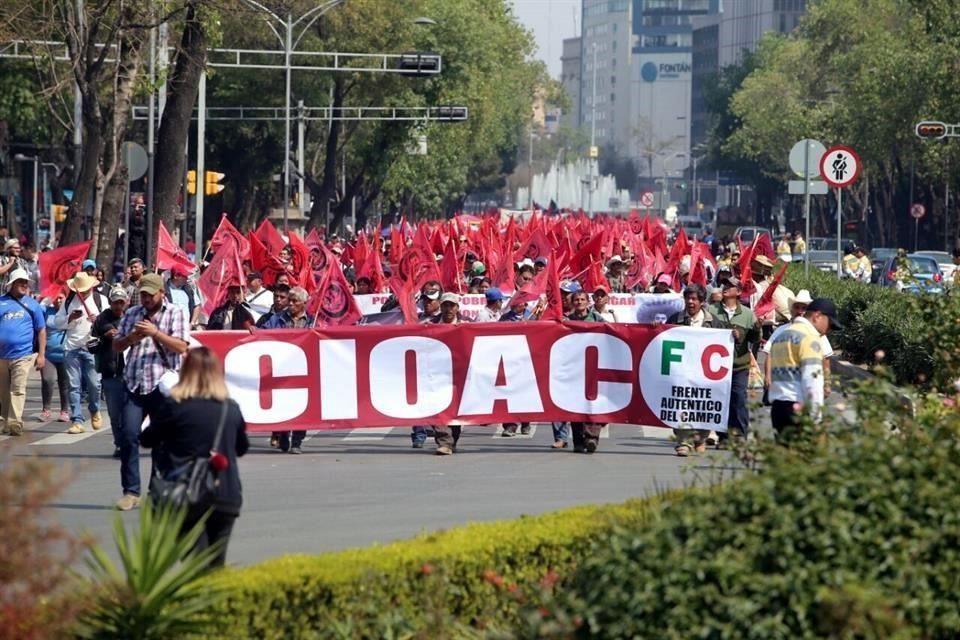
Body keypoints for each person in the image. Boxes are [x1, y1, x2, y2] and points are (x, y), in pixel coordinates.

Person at [141, 347, 248, 568]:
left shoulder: (174, 406)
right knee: (216, 564)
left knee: (195, 565)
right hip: (224, 491)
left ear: (186, 372)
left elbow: (146, 439)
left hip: (185, 492)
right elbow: (241, 448)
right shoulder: (230, 408)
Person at [112, 273, 189, 511]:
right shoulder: (132, 313)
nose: (144, 298)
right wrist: (132, 337)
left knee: (161, 441)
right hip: (134, 383)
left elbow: (181, 346)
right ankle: (130, 491)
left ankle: (157, 489)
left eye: (149, 294)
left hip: (161, 384)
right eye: (142, 294)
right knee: (128, 435)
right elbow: (116, 345)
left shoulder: (175, 313)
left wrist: (155, 333)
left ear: (161, 293)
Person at [768, 298, 841, 441]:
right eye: (830, 324)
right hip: (798, 409)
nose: (829, 330)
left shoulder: (783, 335)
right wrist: (816, 418)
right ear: (817, 316)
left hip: (778, 408)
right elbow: (811, 380)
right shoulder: (810, 338)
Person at [668, 284, 725, 456]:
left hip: (704, 374)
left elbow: (724, 346)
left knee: (703, 405)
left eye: (694, 299)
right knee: (681, 405)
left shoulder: (714, 323)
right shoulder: (674, 319)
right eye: (688, 298)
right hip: (681, 372)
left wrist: (734, 337)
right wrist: (657, 329)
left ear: (702, 301)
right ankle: (683, 441)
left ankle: (700, 437)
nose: (690, 302)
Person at [259, 286, 313, 454]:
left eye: (294, 301)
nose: (290, 304)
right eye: (289, 300)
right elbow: (264, 332)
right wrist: (256, 331)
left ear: (304, 303)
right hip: (282, 369)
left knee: (302, 406)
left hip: (304, 370)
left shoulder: (312, 321)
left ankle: (297, 441)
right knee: (283, 405)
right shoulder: (277, 318)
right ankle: (283, 433)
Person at [56, 271, 108, 434]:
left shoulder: (101, 300)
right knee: (73, 385)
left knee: (94, 384)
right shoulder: (69, 300)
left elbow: (109, 321)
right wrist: (69, 318)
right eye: (81, 290)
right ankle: (77, 419)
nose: (83, 292)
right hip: (71, 347)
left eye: (86, 289)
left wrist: (97, 320)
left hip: (92, 347)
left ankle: (94, 409)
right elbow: (58, 323)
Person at [709, 277, 760, 447]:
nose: (725, 288)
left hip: (739, 365)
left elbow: (755, 338)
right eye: (725, 285)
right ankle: (723, 437)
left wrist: (742, 336)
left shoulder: (747, 315)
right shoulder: (711, 310)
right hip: (715, 367)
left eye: (730, 286)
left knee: (738, 398)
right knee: (719, 400)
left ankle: (739, 435)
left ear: (738, 292)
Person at [762, 290, 834, 402]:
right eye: (797, 307)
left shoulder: (815, 333)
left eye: (803, 308)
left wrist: (827, 383)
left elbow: (825, 358)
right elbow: (769, 353)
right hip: (786, 394)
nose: (800, 311)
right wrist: (768, 376)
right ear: (792, 310)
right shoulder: (781, 331)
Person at [0, 269, 46, 436]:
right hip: (2, 356)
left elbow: (41, 330)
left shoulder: (33, 305)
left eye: (25, 282)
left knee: (18, 389)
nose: (24, 285)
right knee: (3, 391)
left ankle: (15, 422)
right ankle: (5, 420)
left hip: (23, 354)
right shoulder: (1, 302)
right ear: (11, 284)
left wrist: (41, 355)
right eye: (20, 282)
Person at [565, 291, 605, 452]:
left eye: (582, 299)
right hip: (573, 368)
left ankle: (592, 437)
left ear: (588, 302)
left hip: (592, 367)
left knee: (593, 403)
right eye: (576, 300)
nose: (579, 302)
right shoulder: (566, 320)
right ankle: (578, 441)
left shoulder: (597, 319)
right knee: (575, 405)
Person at [92, 285, 130, 458]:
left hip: (131, 373)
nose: (118, 306)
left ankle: (129, 442)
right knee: (115, 413)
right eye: (115, 302)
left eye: (121, 303)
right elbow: (97, 334)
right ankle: (119, 443)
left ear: (126, 303)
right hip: (110, 372)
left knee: (130, 412)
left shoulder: (132, 317)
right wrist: (104, 335)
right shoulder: (102, 319)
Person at [432, 293, 467, 455]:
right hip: (436, 375)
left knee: (455, 412)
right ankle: (444, 441)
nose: (448, 309)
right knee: (438, 409)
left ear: (457, 308)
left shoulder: (465, 326)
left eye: (451, 306)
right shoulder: (429, 325)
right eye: (445, 305)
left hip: (458, 376)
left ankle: (451, 440)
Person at [41, 291, 70, 423]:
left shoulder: (70, 312)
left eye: (61, 297)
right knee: (47, 380)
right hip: (48, 354)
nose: (58, 300)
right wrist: (46, 298)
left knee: (64, 383)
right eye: (56, 297)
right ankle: (46, 409)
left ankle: (65, 410)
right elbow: (37, 308)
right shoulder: (47, 310)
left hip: (65, 353)